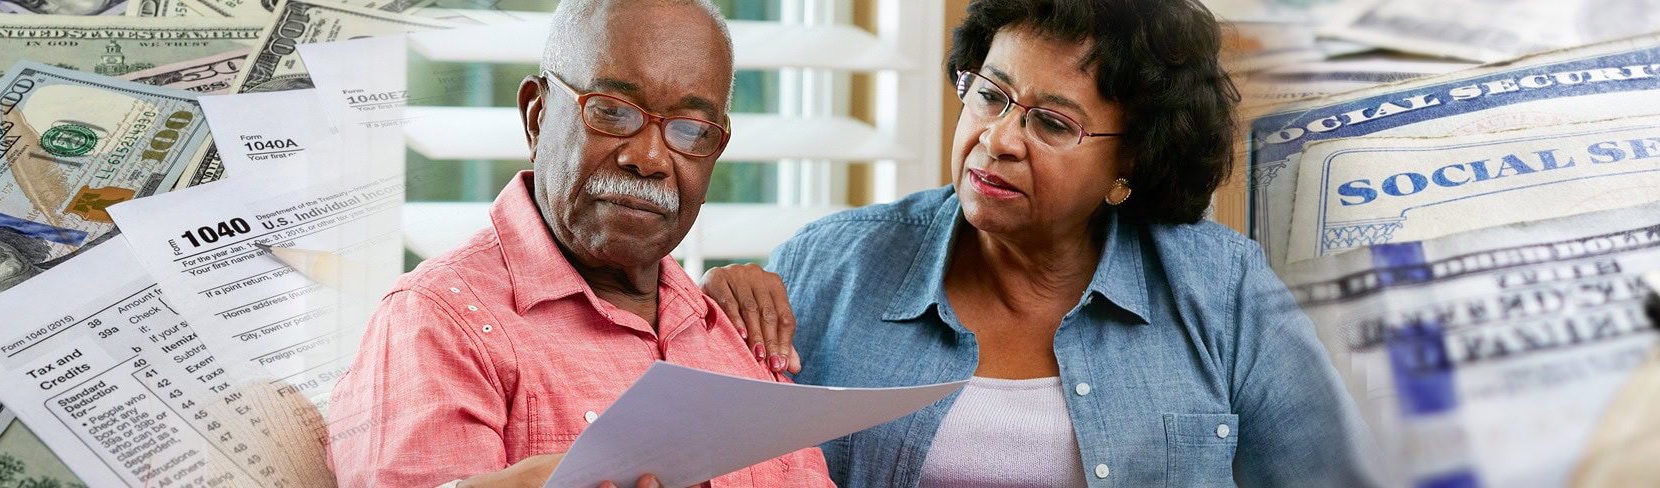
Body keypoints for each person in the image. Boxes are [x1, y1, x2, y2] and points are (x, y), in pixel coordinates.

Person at [701, 0, 1378, 486]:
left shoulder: (1222, 288)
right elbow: (719, 461)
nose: (997, 139)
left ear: (1132, 160)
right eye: (990, 96)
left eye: (1052, 124)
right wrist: (702, 329)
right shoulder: (829, 265)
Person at [325, 1, 833, 487]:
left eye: (688, 128)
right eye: (612, 112)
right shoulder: (438, 323)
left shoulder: (738, 334)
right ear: (537, 116)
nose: (650, 158)